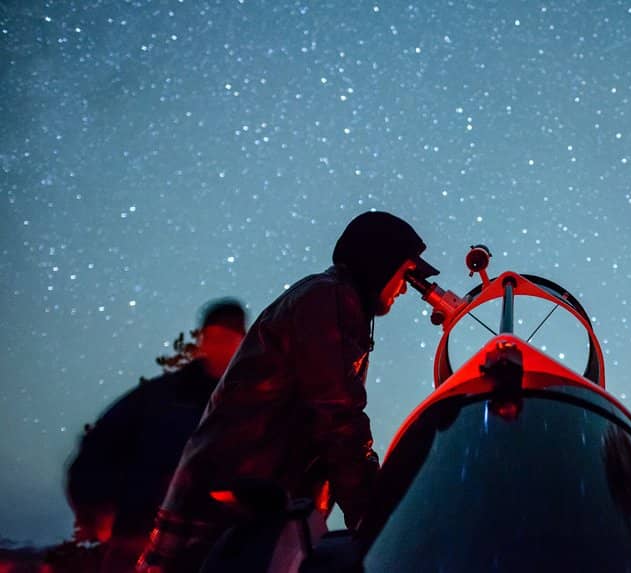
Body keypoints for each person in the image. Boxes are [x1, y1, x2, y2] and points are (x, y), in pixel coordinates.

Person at [137, 211, 438, 572]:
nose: (405, 288)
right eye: (403, 274)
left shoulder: (332, 301)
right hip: (232, 503)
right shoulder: (328, 300)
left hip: (242, 497)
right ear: (378, 264)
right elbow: (337, 417)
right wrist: (374, 517)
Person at [66, 299, 247, 573]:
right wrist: (96, 509)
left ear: (242, 343)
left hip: (217, 544)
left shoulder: (247, 405)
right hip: (138, 536)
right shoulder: (158, 398)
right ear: (202, 341)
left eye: (229, 339)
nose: (221, 346)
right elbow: (98, 447)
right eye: (214, 337)